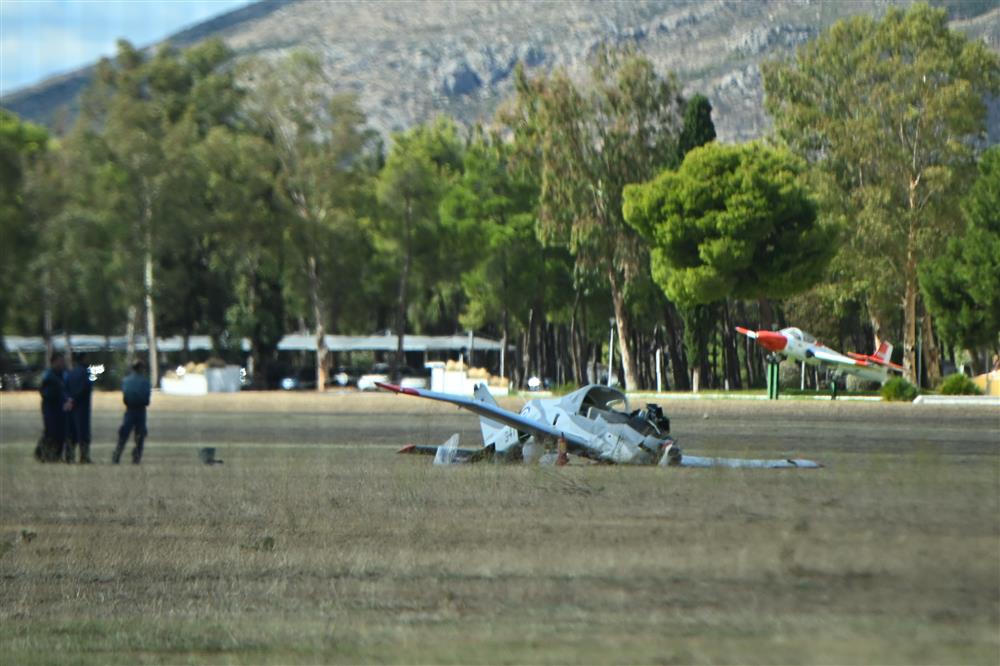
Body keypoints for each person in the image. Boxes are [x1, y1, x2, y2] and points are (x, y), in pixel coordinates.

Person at [113, 360, 151, 465]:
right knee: (140, 435)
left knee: (124, 435)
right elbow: (147, 399)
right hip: (140, 410)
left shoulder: (126, 381)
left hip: (129, 410)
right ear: (140, 369)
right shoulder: (145, 382)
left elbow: (125, 397)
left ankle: (116, 456)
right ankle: (136, 457)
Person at [37, 353, 71, 462]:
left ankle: (56, 456)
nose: (62, 363)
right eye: (60, 361)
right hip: (50, 408)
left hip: (61, 408)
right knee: (50, 432)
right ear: (54, 362)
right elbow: (43, 392)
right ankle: (43, 454)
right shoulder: (48, 375)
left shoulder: (63, 374)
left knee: (61, 433)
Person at [65, 352, 94, 463]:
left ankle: (69, 456)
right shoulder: (86, 372)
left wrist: (70, 399)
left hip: (71, 406)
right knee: (83, 433)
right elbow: (86, 388)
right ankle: (84, 456)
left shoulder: (70, 372)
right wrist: (76, 398)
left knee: (71, 433)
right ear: (83, 359)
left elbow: (65, 387)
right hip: (83, 407)